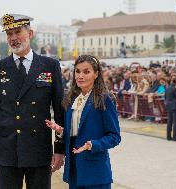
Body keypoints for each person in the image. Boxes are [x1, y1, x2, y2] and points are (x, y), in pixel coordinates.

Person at [0, 13, 65, 189]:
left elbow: (60, 111)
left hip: (39, 150)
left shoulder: (50, 66)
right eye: (9, 34)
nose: (13, 38)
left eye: (17, 32)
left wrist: (60, 149)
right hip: (7, 151)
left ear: (30, 33)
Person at [46, 55, 121, 189]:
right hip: (74, 169)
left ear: (96, 74)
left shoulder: (105, 99)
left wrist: (92, 144)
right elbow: (75, 133)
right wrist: (62, 131)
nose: (80, 76)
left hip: (95, 171)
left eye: (86, 72)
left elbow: (115, 137)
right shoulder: (71, 99)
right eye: (78, 71)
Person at [165, 76, 176, 141]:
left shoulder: (167, 88)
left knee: (169, 122)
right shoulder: (175, 89)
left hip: (169, 106)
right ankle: (175, 137)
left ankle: (168, 137)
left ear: (172, 81)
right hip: (175, 107)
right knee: (175, 122)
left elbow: (165, 97)